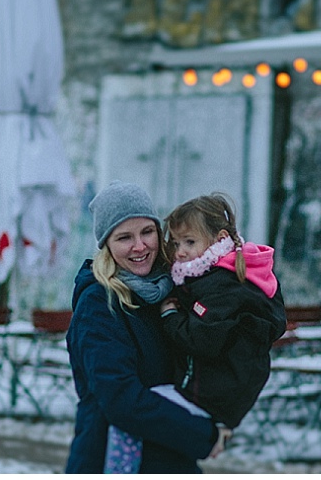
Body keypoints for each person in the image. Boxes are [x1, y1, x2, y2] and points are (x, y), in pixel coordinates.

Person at [104, 192, 287, 473]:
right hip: (216, 390)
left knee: (131, 420)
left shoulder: (223, 287)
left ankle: (118, 472)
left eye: (189, 242)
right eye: (175, 243)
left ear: (218, 239)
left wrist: (170, 314)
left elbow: (202, 339)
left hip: (211, 394)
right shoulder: (220, 277)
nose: (179, 251)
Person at [65, 181, 225, 474]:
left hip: (170, 458)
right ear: (107, 246)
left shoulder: (169, 290)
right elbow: (120, 397)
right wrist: (202, 434)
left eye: (147, 232)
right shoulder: (99, 303)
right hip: (109, 459)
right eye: (124, 237)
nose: (139, 246)